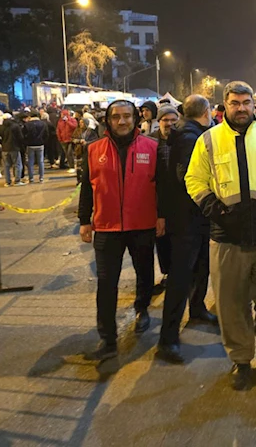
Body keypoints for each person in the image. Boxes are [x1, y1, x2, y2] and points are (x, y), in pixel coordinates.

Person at [185, 81, 256, 391]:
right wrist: (213, 208)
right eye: (235, 103)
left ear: (254, 105)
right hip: (226, 236)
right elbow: (194, 178)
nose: (242, 108)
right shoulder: (209, 139)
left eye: (247, 102)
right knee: (230, 302)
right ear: (225, 105)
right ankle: (241, 359)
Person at [78, 100, 164, 361]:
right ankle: (107, 339)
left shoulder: (152, 147)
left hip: (142, 224)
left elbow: (161, 186)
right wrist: (85, 219)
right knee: (106, 284)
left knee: (145, 273)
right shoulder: (93, 149)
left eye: (127, 116)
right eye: (116, 117)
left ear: (136, 119)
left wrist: (162, 216)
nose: (122, 121)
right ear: (108, 120)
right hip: (106, 226)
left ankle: (142, 308)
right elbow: (86, 186)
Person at [156, 96, 218, 364]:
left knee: (201, 266)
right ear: (206, 112)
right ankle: (167, 339)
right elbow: (187, 178)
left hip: (196, 218)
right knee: (181, 277)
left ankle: (197, 308)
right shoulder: (190, 138)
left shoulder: (191, 132)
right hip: (187, 219)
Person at [150, 106, 179, 294]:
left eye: (172, 120)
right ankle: (167, 273)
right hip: (158, 196)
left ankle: (179, 272)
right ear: (159, 121)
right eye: (165, 120)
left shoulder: (183, 138)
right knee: (162, 237)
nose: (169, 124)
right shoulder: (151, 141)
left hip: (180, 196)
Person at [23, 110, 48, 183]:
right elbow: (46, 134)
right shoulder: (43, 124)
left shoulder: (27, 124)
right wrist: (43, 141)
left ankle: (31, 178)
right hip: (40, 144)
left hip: (30, 145)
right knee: (41, 161)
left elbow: (23, 134)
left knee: (30, 162)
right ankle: (41, 178)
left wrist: (26, 142)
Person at [0, 114, 25, 186]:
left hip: (4, 148)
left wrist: (2, 143)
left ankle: (8, 182)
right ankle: (17, 181)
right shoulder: (15, 126)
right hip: (14, 147)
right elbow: (20, 137)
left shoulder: (1, 127)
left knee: (6, 166)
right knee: (17, 164)